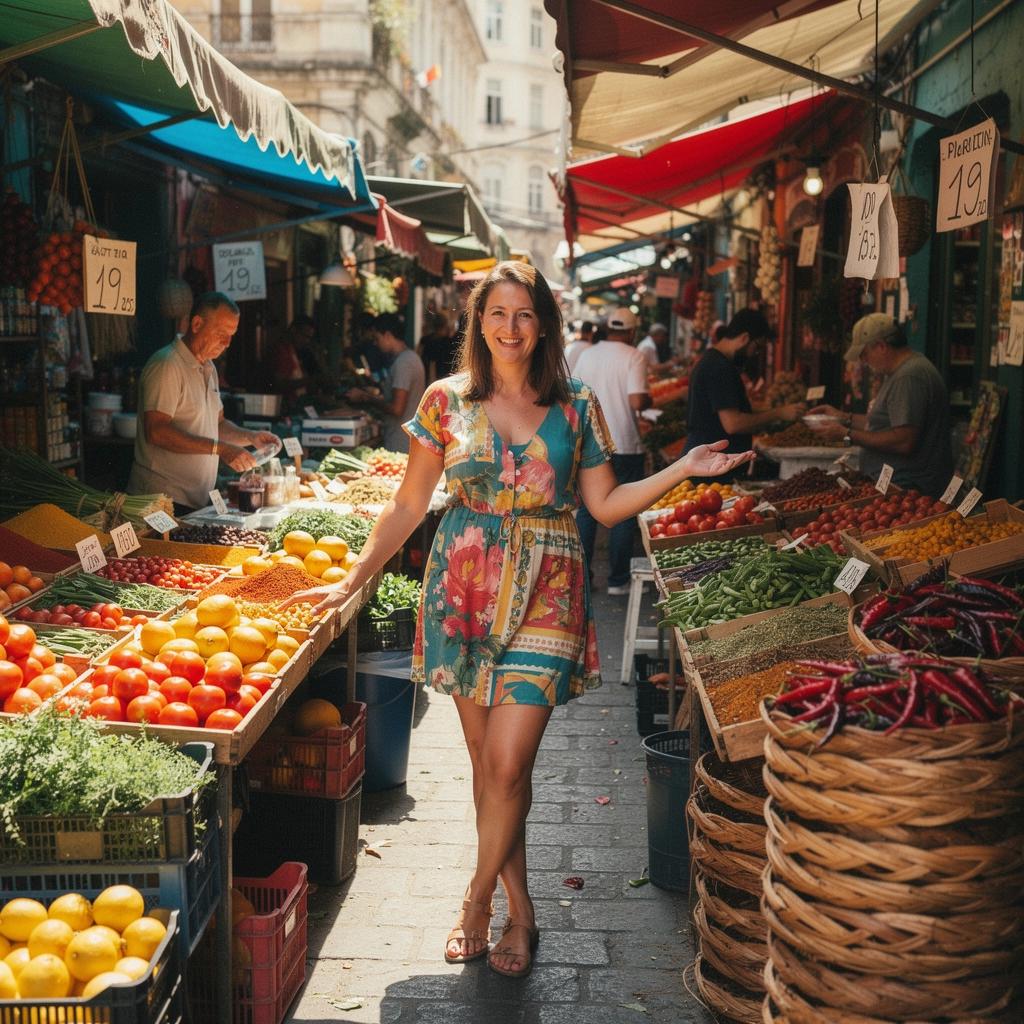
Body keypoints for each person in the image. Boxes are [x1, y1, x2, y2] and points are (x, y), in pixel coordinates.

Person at [281, 263, 751, 978]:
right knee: (486, 769)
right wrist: (351, 579)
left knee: (507, 764)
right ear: (479, 322)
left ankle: (475, 900)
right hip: (462, 589)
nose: (510, 328)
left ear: (544, 325)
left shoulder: (576, 406)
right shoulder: (444, 402)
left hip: (549, 590)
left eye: (524, 315)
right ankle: (523, 912)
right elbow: (409, 506)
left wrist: (684, 464)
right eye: (496, 314)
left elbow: (605, 505)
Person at [128, 292, 279, 514]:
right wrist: (221, 449)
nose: (227, 343)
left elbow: (216, 424)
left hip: (195, 499)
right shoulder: (167, 365)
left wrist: (250, 437)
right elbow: (156, 431)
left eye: (231, 335)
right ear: (197, 324)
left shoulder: (209, 367)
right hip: (161, 499)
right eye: (221, 333)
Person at [806, 313, 953, 497]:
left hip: (907, 488)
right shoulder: (901, 372)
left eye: (864, 354)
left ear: (881, 346)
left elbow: (903, 440)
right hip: (896, 484)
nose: (863, 361)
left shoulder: (908, 377)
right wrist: (842, 418)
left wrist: (847, 434)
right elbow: (883, 424)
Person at [572, 307, 651, 594]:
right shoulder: (634, 356)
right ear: (631, 332)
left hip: (589, 441)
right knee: (624, 509)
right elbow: (637, 401)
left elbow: (574, 394)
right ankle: (619, 580)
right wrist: (649, 396)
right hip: (626, 443)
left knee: (587, 510)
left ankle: (581, 577)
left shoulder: (587, 354)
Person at [684, 308, 805, 479]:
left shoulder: (714, 361)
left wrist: (779, 411)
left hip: (711, 464)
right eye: (757, 347)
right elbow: (734, 423)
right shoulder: (719, 368)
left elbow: (733, 411)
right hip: (711, 470)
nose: (755, 354)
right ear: (745, 338)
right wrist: (778, 413)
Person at [347, 313, 426, 453]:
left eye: (377, 338)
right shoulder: (409, 358)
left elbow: (397, 409)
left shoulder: (404, 363)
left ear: (388, 335)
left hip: (400, 441)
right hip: (405, 437)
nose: (376, 343)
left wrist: (366, 397)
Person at [418, 311, 457, 383]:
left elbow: (419, 356)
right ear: (445, 325)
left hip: (427, 379)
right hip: (445, 380)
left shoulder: (425, 340)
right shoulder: (449, 342)